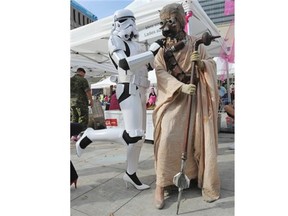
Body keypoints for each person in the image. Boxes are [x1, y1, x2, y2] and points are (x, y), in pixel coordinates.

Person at [75, 8, 162, 191]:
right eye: (125, 21)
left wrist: (164, 50)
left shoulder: (138, 45)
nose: (130, 24)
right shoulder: (114, 40)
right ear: (117, 24)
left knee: (138, 138)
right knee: (134, 134)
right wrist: (152, 50)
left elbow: (148, 65)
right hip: (128, 88)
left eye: (132, 20)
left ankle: (131, 173)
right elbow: (124, 65)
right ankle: (91, 135)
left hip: (142, 89)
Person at [152, 3, 220, 209]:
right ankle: (161, 183)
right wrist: (180, 86)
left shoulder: (196, 43)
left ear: (180, 20)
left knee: (197, 138)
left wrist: (201, 64)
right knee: (168, 135)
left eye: (170, 20)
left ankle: (194, 176)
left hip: (195, 99)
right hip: (173, 98)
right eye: (163, 22)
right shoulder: (161, 48)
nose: (167, 25)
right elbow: (159, 71)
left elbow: (211, 65)